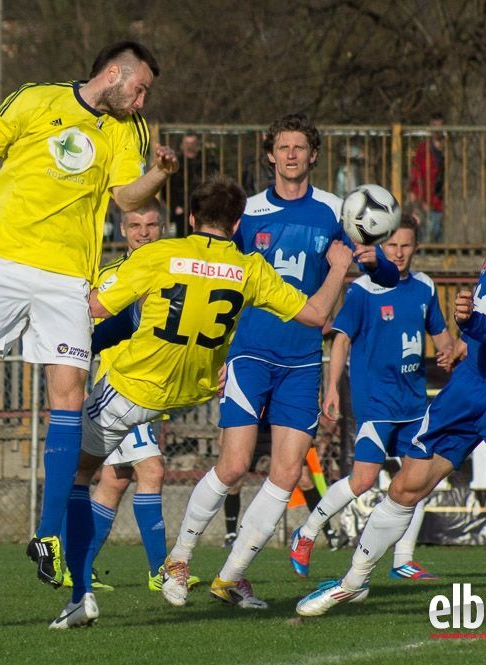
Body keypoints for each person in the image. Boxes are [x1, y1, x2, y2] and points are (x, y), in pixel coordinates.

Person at [0, 42, 179, 591]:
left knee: (67, 398)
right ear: (113, 74)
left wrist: (158, 175)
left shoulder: (128, 130)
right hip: (2, 262)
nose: (142, 101)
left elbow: (126, 197)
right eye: (139, 88)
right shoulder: (34, 98)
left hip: (67, 278)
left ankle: (46, 535)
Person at [50, 174, 356, 628]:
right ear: (236, 225)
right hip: (192, 393)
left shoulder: (160, 254)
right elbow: (315, 315)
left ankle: (80, 592)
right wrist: (337, 268)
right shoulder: (250, 268)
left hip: (133, 388)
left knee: (73, 474)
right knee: (132, 475)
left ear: (191, 218)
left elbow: (95, 308)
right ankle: (186, 567)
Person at [296, 154, 486, 630]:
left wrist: (473, 323)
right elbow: (468, 292)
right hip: (467, 386)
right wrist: (383, 269)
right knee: (406, 486)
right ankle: (352, 582)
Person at [161, 113, 399, 611]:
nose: (291, 155)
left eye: (300, 147)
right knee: (233, 465)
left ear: (313, 156)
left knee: (287, 473)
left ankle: (230, 578)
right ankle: (178, 559)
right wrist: (218, 350)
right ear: (270, 155)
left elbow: (386, 273)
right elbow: (217, 278)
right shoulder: (247, 213)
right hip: (250, 352)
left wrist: (376, 261)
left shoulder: (337, 212)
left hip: (302, 360)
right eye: (283, 147)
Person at [289, 215, 454, 581]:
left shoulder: (425, 287)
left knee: (418, 479)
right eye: (392, 245)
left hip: (414, 404)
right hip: (376, 403)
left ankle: (403, 560)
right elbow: (341, 339)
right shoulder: (363, 290)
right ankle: (307, 532)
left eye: (406, 245)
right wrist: (332, 388)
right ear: (380, 246)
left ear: (416, 247)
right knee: (363, 479)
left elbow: (442, 337)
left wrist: (450, 352)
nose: (399, 252)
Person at [60, 197, 199, 593]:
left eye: (151, 225)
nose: (144, 233)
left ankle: (76, 566)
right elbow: (90, 329)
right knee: (151, 470)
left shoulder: (176, 270)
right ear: (122, 230)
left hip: (151, 389)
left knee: (115, 481)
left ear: (163, 228)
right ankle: (159, 570)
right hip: (119, 387)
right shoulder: (110, 278)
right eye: (135, 226)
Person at [169, 132, 219, 236]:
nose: (190, 146)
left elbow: (214, 183)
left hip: (203, 209)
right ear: (182, 145)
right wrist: (175, 205)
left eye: (193, 143)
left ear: (198, 145)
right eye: (187, 143)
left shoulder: (207, 162)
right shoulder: (176, 164)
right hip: (181, 211)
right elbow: (167, 188)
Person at [408, 114, 445, 243]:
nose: (437, 130)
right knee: (428, 238)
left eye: (440, 126)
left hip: (446, 201)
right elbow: (417, 174)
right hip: (428, 202)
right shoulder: (423, 149)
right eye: (434, 126)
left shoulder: (451, 147)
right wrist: (417, 198)